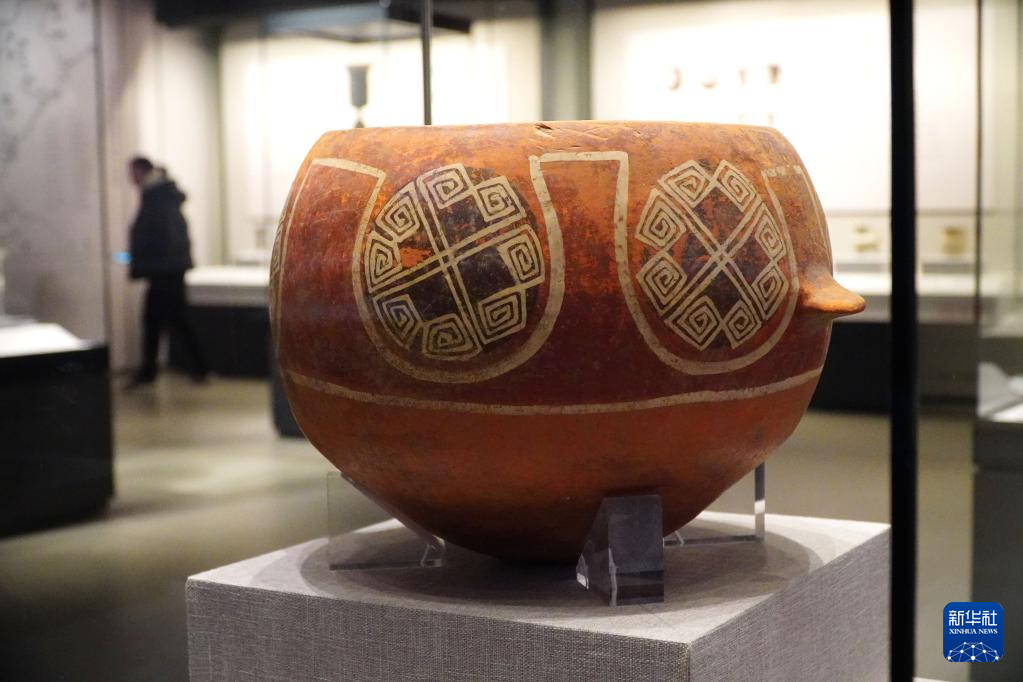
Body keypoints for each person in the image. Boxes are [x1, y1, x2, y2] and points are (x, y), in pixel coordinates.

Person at [125, 156, 208, 387]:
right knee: (169, 319)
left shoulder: (158, 197)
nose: (130, 178)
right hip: (166, 270)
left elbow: (163, 236)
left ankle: (158, 370)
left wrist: (153, 263)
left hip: (165, 272)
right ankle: (192, 368)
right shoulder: (159, 195)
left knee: (164, 320)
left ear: (141, 171)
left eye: (132, 172)